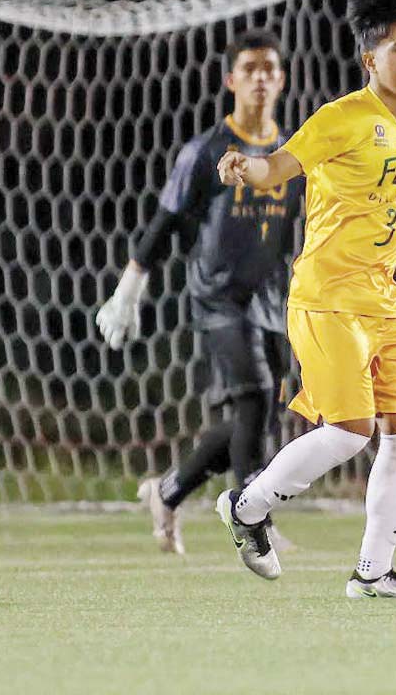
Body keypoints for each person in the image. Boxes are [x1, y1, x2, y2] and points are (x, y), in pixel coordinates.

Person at [213, 0, 396, 598]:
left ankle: (374, 573)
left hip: (381, 297)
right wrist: (244, 166)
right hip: (326, 294)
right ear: (372, 57)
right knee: (349, 428)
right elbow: (277, 168)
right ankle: (248, 505)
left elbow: (388, 212)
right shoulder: (341, 119)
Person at [95, 30, 302, 554]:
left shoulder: (291, 153)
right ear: (231, 79)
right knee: (254, 396)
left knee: (250, 421)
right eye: (250, 67)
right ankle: (255, 522)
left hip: (271, 303)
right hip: (217, 299)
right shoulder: (206, 151)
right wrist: (129, 288)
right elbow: (166, 222)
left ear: (281, 79)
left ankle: (167, 493)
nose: (260, 77)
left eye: (269, 68)